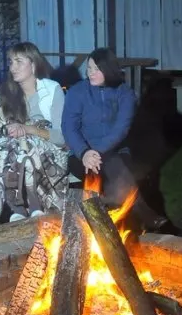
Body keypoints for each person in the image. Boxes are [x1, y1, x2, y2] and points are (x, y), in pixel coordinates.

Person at [62, 48, 173, 232]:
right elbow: (69, 127)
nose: (91, 73)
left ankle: (113, 227)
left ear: (108, 69)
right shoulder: (77, 92)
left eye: (97, 69)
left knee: (113, 163)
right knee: (114, 170)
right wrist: (84, 152)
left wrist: (96, 152)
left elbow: (121, 130)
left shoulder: (124, 93)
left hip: (114, 152)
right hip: (80, 156)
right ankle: (143, 213)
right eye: (89, 68)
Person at [0, 42, 69, 222]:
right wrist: (11, 129)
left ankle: (30, 204)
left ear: (33, 64)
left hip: (49, 155)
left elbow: (60, 137)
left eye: (18, 61)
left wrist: (28, 129)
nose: (13, 67)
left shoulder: (52, 90)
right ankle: (18, 207)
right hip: (12, 151)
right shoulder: (4, 92)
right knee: (8, 146)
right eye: (11, 62)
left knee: (25, 144)